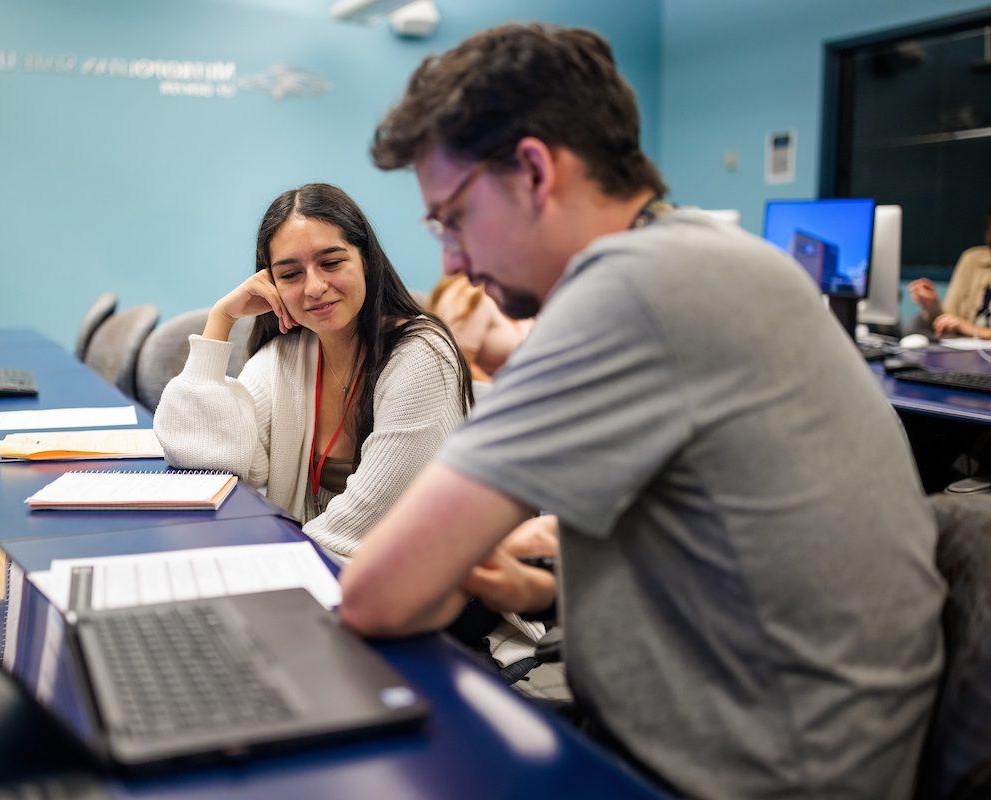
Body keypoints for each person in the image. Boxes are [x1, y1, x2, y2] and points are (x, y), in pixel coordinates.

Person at [340, 23, 944, 799]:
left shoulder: (635, 289)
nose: (451, 259)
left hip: (744, 774)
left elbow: (378, 595)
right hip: (777, 733)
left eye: (452, 217)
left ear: (533, 171)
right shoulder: (702, 256)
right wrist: (554, 585)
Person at [154, 183, 471, 560]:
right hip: (317, 570)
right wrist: (220, 320)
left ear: (366, 260)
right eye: (290, 274)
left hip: (419, 590)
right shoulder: (288, 355)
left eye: (332, 262)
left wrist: (268, 564)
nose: (315, 287)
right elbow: (205, 457)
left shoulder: (422, 357)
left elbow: (366, 525)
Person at [426, 274, 533, 382]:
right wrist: (502, 391)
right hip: (488, 393)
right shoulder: (471, 292)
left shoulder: (519, 297)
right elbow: (457, 363)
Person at [909, 206, 991, 339]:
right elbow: (951, 318)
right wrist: (933, 306)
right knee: (915, 325)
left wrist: (972, 330)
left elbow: (963, 326)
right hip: (965, 351)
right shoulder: (973, 260)